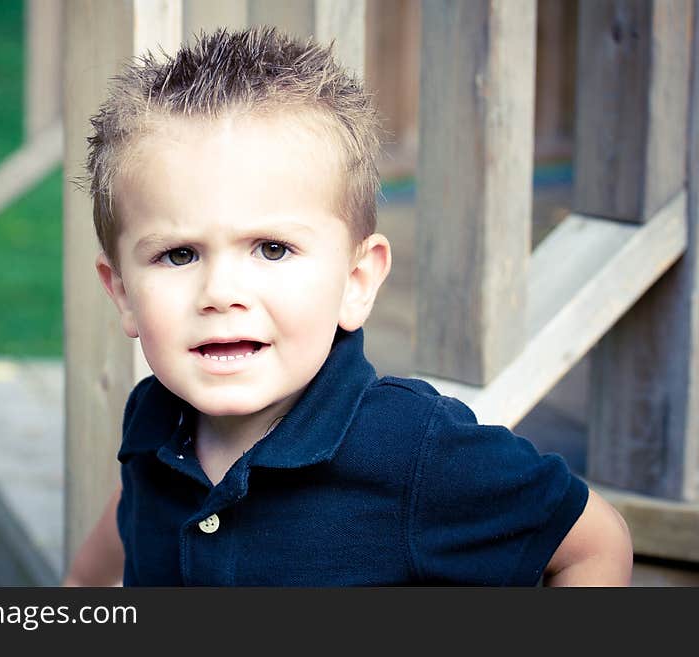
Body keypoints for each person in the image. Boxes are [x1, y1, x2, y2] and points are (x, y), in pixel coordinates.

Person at [64, 26, 633, 586]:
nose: (220, 293)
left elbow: (596, 545)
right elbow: (130, 519)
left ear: (356, 280)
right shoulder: (156, 418)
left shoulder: (414, 449)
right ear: (122, 293)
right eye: (179, 254)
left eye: (272, 248)